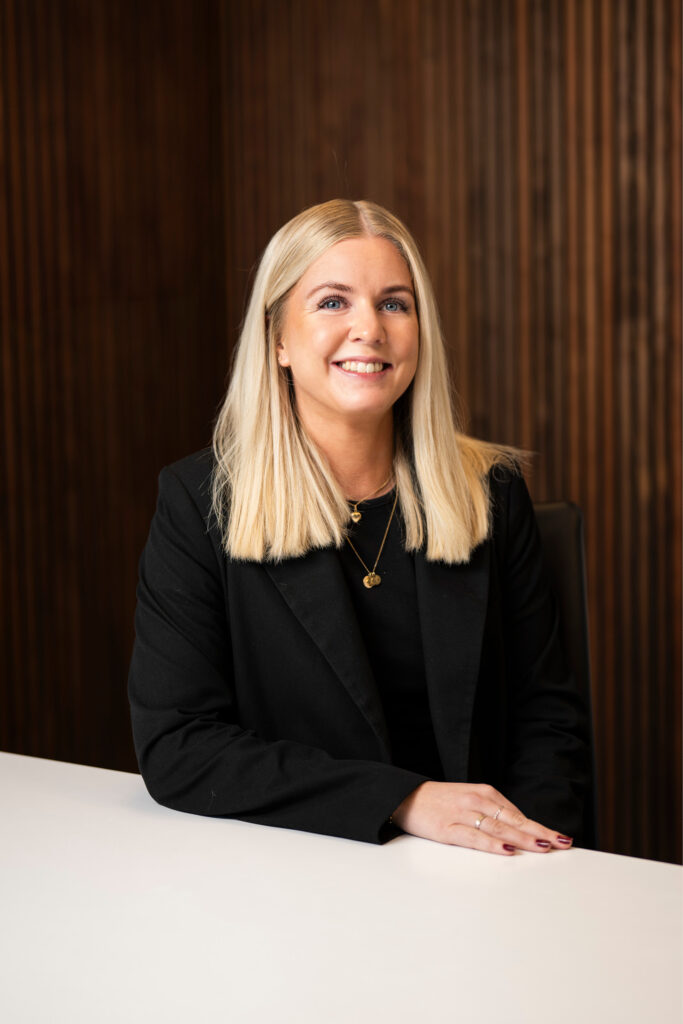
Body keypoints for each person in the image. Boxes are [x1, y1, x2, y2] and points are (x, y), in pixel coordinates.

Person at [128, 198, 590, 855]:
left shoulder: (493, 490)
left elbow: (547, 721)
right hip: (300, 865)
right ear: (278, 340)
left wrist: (524, 852)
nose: (369, 328)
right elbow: (179, 745)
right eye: (332, 302)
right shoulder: (199, 503)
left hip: (479, 866)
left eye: (394, 304)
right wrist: (403, 801)